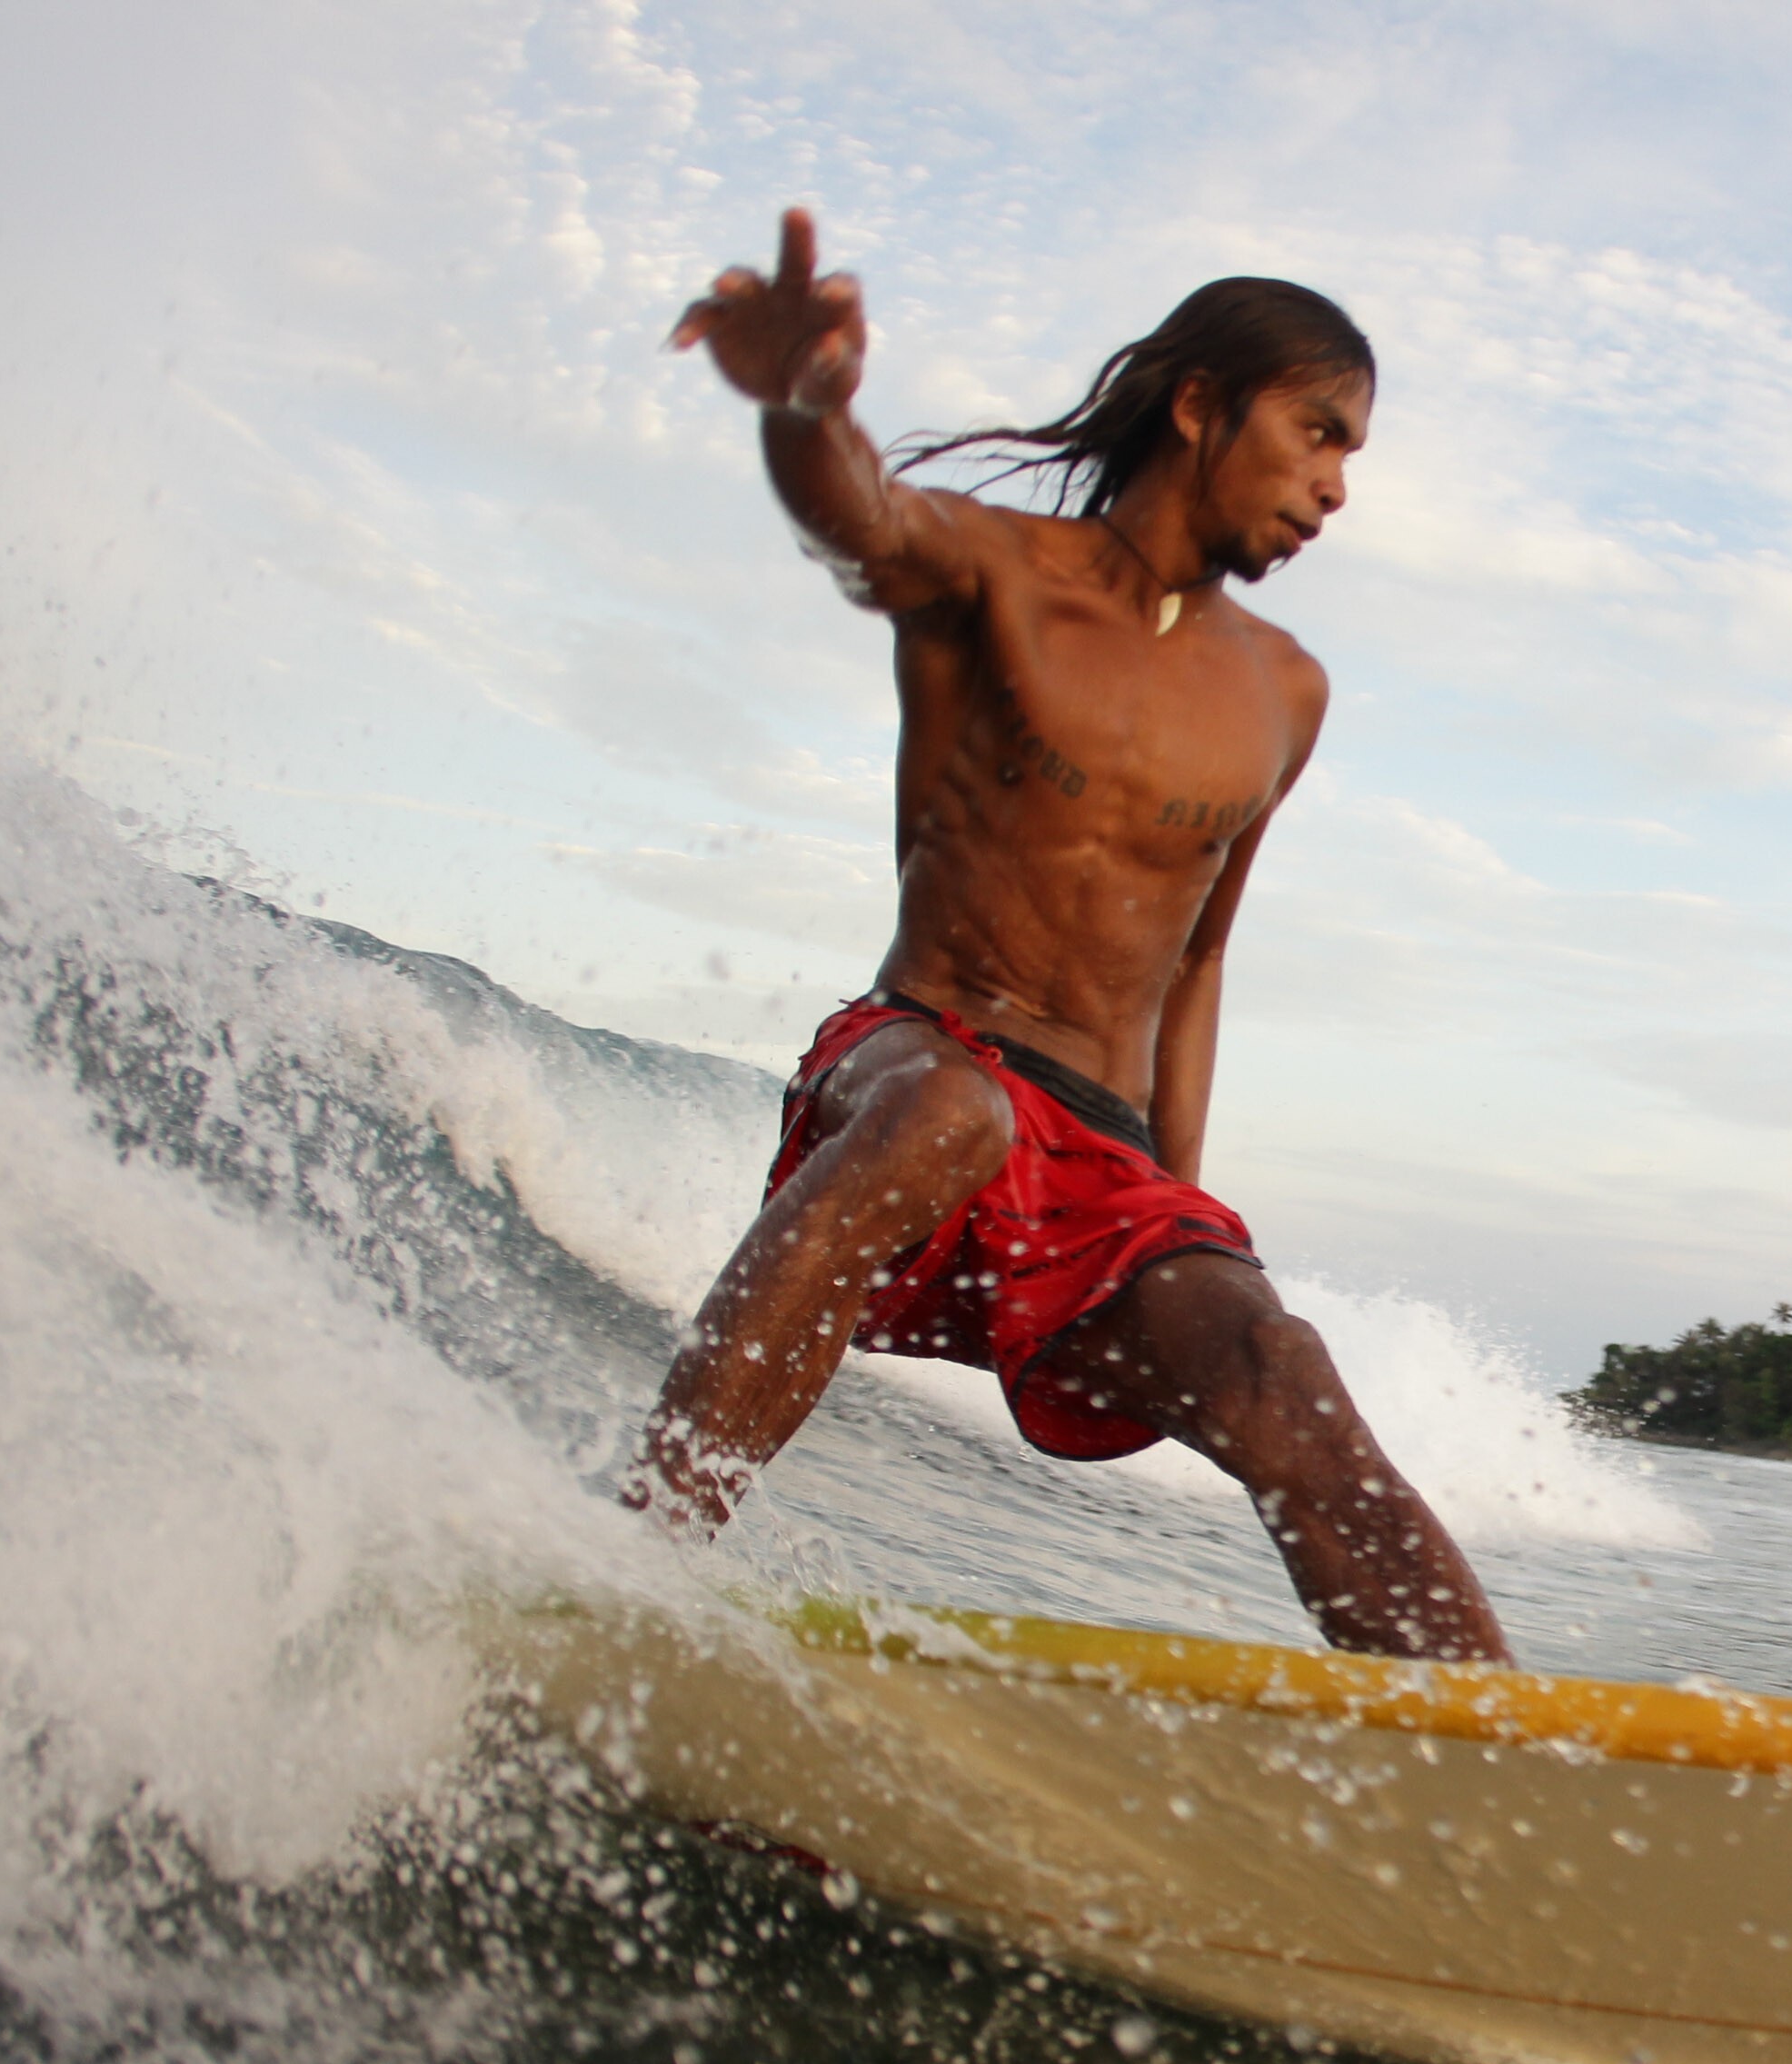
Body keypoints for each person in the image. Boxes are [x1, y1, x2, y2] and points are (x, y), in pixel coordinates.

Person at [632, 209, 1508, 1665]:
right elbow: (856, 515)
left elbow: (1202, 955)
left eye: (1351, 452)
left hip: (1102, 1149)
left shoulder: (1286, 692)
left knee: (1277, 1366)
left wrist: (1182, 1220)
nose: (1337, 488)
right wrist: (802, 404)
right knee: (954, 1116)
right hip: (921, 1060)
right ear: (1199, 405)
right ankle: (639, 1558)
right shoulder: (993, 573)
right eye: (1319, 433)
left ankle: (1501, 1769)